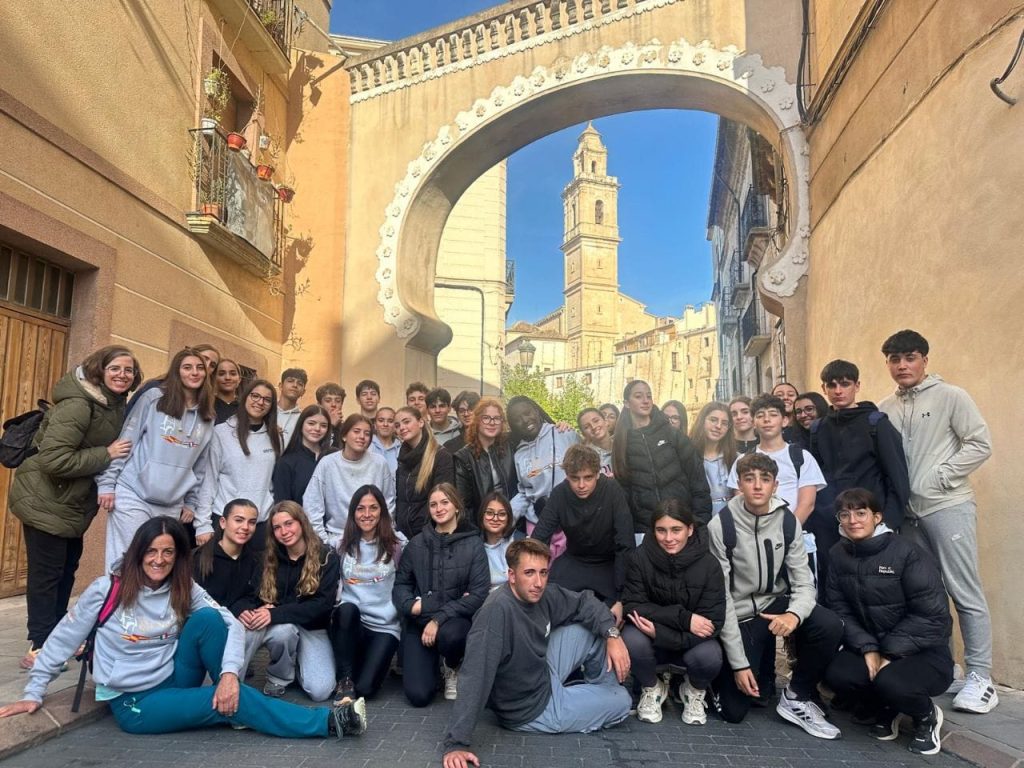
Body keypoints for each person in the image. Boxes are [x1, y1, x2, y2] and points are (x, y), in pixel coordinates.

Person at [0, 517, 366, 740]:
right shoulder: (106, 590)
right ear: (138, 552)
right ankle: (328, 723)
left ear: (177, 556)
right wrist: (34, 691)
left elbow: (229, 621)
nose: (159, 560)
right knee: (230, 701)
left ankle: (231, 696)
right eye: (151, 551)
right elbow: (63, 638)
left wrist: (228, 674)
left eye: (168, 552)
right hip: (137, 702)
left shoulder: (182, 586)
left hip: (175, 676)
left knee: (209, 620)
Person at [879, 329, 996, 714]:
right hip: (909, 516)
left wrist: (942, 477)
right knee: (926, 595)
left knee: (964, 590)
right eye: (895, 360)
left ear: (924, 360)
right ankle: (947, 668)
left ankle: (981, 676)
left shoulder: (951, 396)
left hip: (948, 505)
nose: (902, 365)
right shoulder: (885, 408)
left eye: (910, 357)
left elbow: (979, 443)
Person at [442, 538, 631, 768]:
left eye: (543, 572)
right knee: (622, 701)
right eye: (529, 573)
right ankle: (592, 700)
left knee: (590, 629)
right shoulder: (496, 613)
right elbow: (475, 676)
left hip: (541, 671)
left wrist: (613, 634)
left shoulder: (541, 593)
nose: (538, 582)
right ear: (512, 576)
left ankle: (595, 694)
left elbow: (583, 602)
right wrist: (457, 743)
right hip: (530, 708)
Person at [9, 345, 141, 669]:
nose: (122, 375)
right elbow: (54, 459)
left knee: (65, 571)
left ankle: (57, 638)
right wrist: (106, 454)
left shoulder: (113, 404)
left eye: (128, 370)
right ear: (99, 370)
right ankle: (40, 647)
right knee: (47, 576)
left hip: (70, 502)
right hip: (45, 499)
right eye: (115, 368)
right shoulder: (79, 404)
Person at [708, 453, 844, 739]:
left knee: (829, 624)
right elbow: (722, 599)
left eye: (765, 479)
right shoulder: (721, 526)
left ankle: (798, 695)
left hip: (776, 603)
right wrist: (740, 664)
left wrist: (794, 614)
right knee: (734, 711)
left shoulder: (787, 522)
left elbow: (804, 582)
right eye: (749, 479)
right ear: (739, 485)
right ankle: (737, 673)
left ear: (775, 485)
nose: (758, 486)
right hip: (741, 613)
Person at [823, 488, 953, 756]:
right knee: (837, 674)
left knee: (891, 681)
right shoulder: (837, 554)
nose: (853, 520)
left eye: (861, 513)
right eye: (845, 515)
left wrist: (889, 653)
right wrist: (868, 647)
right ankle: (887, 707)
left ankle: (926, 716)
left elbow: (932, 615)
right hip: (873, 645)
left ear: (877, 517)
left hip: (924, 651)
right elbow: (839, 608)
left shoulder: (907, 552)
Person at [97, 347, 214, 570]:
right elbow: (126, 442)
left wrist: (191, 502)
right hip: (133, 494)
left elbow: (200, 465)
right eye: (187, 367)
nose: (194, 372)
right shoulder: (154, 398)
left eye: (200, 368)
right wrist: (107, 483)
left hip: (171, 504)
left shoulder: (207, 416)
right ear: (177, 372)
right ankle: (115, 595)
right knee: (125, 563)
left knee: (156, 567)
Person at [621, 498, 725, 725]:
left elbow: (713, 621)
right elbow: (633, 604)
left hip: (690, 642)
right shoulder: (639, 558)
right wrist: (685, 619)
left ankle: (693, 689)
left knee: (710, 656)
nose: (668, 538)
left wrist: (661, 633)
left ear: (690, 529)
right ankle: (652, 687)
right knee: (631, 638)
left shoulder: (709, 565)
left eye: (676, 530)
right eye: (661, 530)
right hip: (654, 638)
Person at [809, 360, 910, 589]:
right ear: (824, 388)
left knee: (878, 588)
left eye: (845, 384)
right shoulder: (818, 429)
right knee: (837, 589)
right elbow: (817, 479)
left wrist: (887, 523)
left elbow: (897, 477)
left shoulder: (876, 423)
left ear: (857, 386)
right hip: (832, 527)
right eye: (831, 385)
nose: (838, 391)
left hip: (872, 525)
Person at [392, 483, 489, 707]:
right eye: (433, 504)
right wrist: (410, 605)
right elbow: (401, 584)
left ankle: (452, 664)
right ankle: (431, 667)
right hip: (420, 622)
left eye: (445, 502)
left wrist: (437, 619)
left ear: (457, 506)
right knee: (418, 696)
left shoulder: (474, 544)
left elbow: (478, 594)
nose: (439, 508)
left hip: (453, 623)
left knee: (452, 637)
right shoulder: (416, 544)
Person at [243, 502, 340, 701]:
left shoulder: (326, 556)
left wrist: (276, 612)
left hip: (312, 627)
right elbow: (253, 596)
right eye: (277, 527)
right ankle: (278, 677)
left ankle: (298, 665)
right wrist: (262, 609)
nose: (284, 532)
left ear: (301, 523)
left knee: (320, 691)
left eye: (289, 524)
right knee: (283, 632)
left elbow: (322, 606)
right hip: (281, 626)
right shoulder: (267, 558)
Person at [532, 445, 634, 618]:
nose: (581, 485)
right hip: (574, 560)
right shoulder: (560, 493)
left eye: (588, 478)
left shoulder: (612, 490)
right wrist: (532, 577)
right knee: (546, 600)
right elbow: (539, 539)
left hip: (608, 563)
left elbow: (625, 543)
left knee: (615, 613)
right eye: (575, 478)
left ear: (597, 474)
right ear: (567, 476)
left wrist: (621, 597)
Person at [330, 485, 407, 704]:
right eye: (360, 508)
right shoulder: (340, 544)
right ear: (353, 513)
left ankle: (362, 668)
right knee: (346, 610)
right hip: (351, 624)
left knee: (365, 689)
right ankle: (345, 680)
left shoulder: (397, 546)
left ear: (382, 511)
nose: (367, 514)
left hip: (384, 626)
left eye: (373, 508)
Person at [612, 380, 712, 534]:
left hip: (682, 523)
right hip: (646, 528)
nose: (646, 401)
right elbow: (624, 492)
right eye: (638, 396)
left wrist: (699, 521)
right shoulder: (622, 442)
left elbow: (698, 480)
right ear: (626, 403)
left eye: (649, 396)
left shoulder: (672, 434)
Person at [196, 378, 282, 550]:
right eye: (255, 396)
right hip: (225, 520)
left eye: (267, 399)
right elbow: (209, 480)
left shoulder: (276, 437)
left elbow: (274, 481)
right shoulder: (221, 433)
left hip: (260, 523)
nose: (260, 402)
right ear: (245, 397)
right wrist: (202, 524)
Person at [726, 395, 826, 528]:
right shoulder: (742, 460)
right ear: (753, 422)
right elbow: (741, 501)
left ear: (784, 421)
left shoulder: (802, 457)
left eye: (773, 415)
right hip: (754, 532)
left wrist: (787, 532)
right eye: (760, 415)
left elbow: (807, 504)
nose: (767, 420)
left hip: (793, 531)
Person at [304, 414, 395, 550]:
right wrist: (325, 542)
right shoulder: (327, 464)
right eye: (356, 431)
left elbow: (389, 503)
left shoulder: (379, 463)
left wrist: (385, 535)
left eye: (367, 433)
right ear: (344, 436)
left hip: (375, 541)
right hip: (337, 540)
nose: (362, 437)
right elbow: (312, 505)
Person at [192, 499, 263, 672]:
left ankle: (235, 677)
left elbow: (253, 595)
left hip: (238, 625)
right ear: (223, 522)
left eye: (251, 522)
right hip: (208, 626)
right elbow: (195, 602)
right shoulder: (199, 558)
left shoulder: (255, 560)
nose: (245, 527)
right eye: (239, 520)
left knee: (256, 625)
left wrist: (243, 609)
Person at [507, 396, 579, 530]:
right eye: (517, 419)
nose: (525, 420)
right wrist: (506, 517)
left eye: (527, 413)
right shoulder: (519, 455)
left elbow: (589, 468)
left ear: (536, 411)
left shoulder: (564, 434)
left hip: (572, 521)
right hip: (538, 524)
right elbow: (525, 492)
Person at [394, 405, 455, 538]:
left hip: (428, 535)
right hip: (403, 535)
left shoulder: (441, 456)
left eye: (406, 422)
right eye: (397, 425)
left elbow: (443, 501)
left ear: (421, 422)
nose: (402, 428)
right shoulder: (402, 458)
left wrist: (428, 533)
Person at [453, 398, 517, 520]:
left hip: (512, 518)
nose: (492, 423)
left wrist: (556, 426)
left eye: (497, 418)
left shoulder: (511, 446)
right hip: (480, 523)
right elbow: (464, 505)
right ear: (477, 421)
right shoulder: (463, 457)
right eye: (486, 418)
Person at [123, 343, 218, 418]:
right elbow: (131, 420)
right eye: (204, 359)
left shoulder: (205, 401)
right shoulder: (155, 388)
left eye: (213, 365)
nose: (207, 365)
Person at [272, 405, 332, 505]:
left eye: (323, 425)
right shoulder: (286, 462)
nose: (317, 428)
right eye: (311, 423)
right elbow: (282, 505)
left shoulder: (333, 458)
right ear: (301, 425)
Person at [688, 401, 737, 518]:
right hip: (698, 518)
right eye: (713, 420)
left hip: (731, 519)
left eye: (724, 423)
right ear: (702, 421)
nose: (718, 426)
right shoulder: (688, 456)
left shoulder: (735, 458)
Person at [478, 493, 521, 590]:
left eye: (502, 514)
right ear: (481, 515)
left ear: (509, 517)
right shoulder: (474, 546)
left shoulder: (520, 542)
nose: (495, 518)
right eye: (489, 513)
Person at [577, 407, 614, 475]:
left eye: (596, 421)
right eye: (586, 427)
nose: (593, 427)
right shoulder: (585, 458)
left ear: (606, 421)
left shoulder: (623, 446)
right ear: (583, 434)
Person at [277, 368, 308, 445]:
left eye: (300, 384)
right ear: (280, 386)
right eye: (290, 381)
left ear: (303, 392)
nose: (295, 385)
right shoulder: (267, 411)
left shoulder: (303, 419)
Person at [370, 406, 400, 474]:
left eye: (390, 421)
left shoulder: (401, 449)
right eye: (381, 420)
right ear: (375, 425)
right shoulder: (366, 446)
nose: (385, 424)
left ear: (395, 426)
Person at [212, 358, 242, 425]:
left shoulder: (245, 408)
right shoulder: (206, 405)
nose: (227, 378)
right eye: (221, 374)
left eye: (233, 374)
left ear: (239, 379)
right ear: (214, 378)